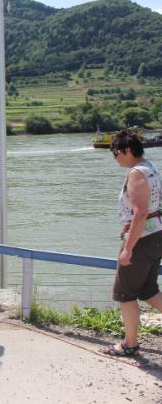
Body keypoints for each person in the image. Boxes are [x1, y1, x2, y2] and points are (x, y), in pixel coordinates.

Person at [101, 130, 162, 357]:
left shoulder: (136, 174)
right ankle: (130, 341)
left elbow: (140, 213)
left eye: (115, 153)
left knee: (125, 294)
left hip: (142, 241)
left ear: (127, 150)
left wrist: (128, 248)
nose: (115, 158)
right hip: (156, 235)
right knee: (149, 290)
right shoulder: (151, 169)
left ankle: (130, 344)